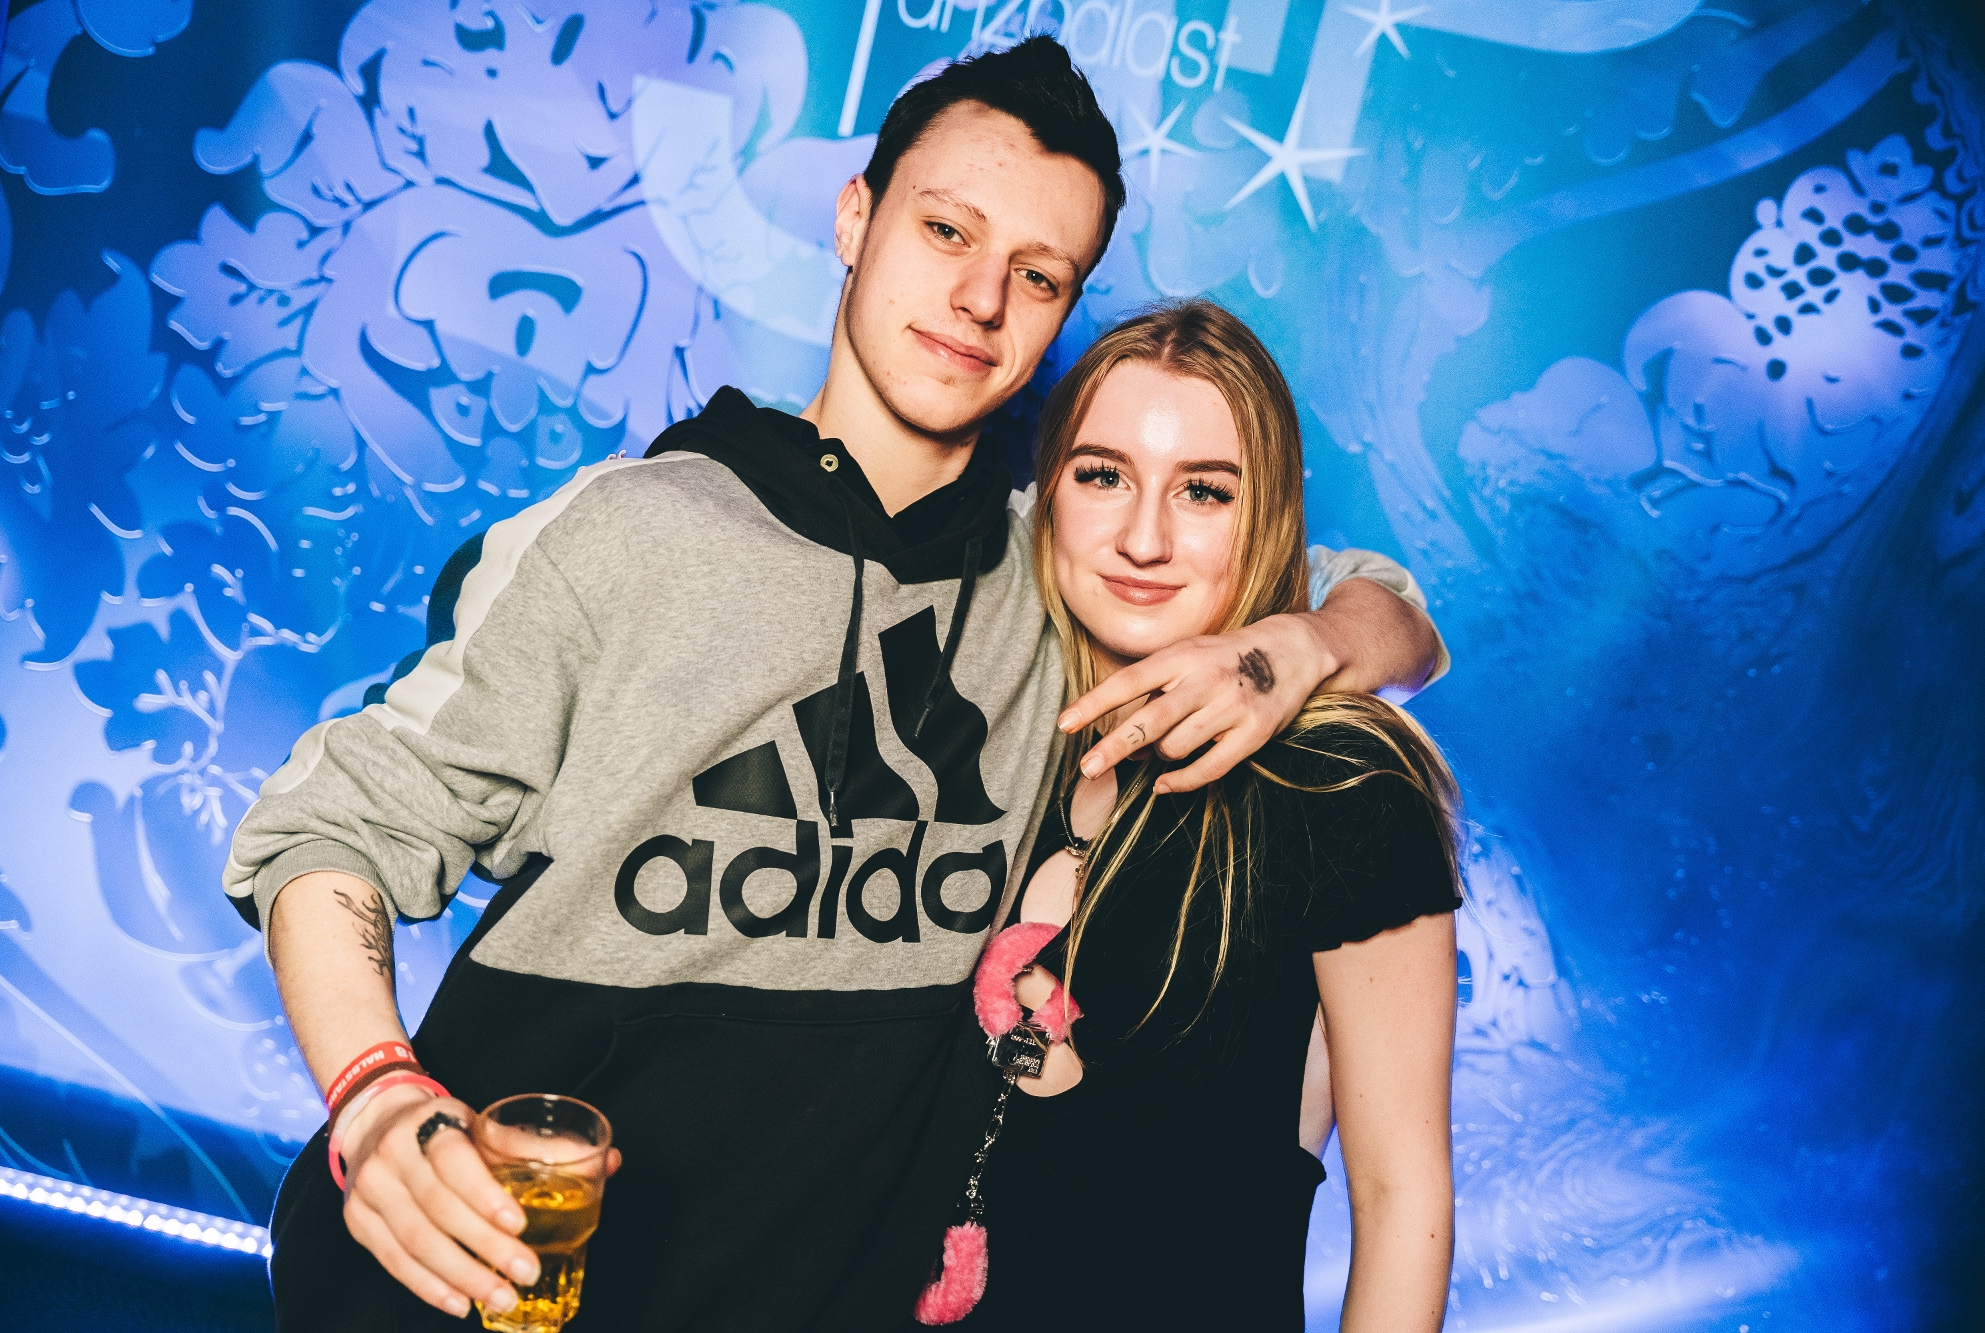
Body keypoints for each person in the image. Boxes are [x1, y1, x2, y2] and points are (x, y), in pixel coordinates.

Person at [224, 39, 1447, 1333]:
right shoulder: (632, 529)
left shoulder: (1061, 580)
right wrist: (376, 1091)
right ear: (855, 218)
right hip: (478, 1273)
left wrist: (1289, 651)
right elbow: (333, 825)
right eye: (946, 230)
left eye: (1037, 276)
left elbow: (1369, 595)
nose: (979, 299)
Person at [939, 302, 1460, 1331]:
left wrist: (1306, 643)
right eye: (1102, 475)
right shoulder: (1001, 715)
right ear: (1046, 497)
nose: (1144, 539)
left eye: (1204, 491)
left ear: (1265, 516)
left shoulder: (1340, 783)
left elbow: (1402, 1198)